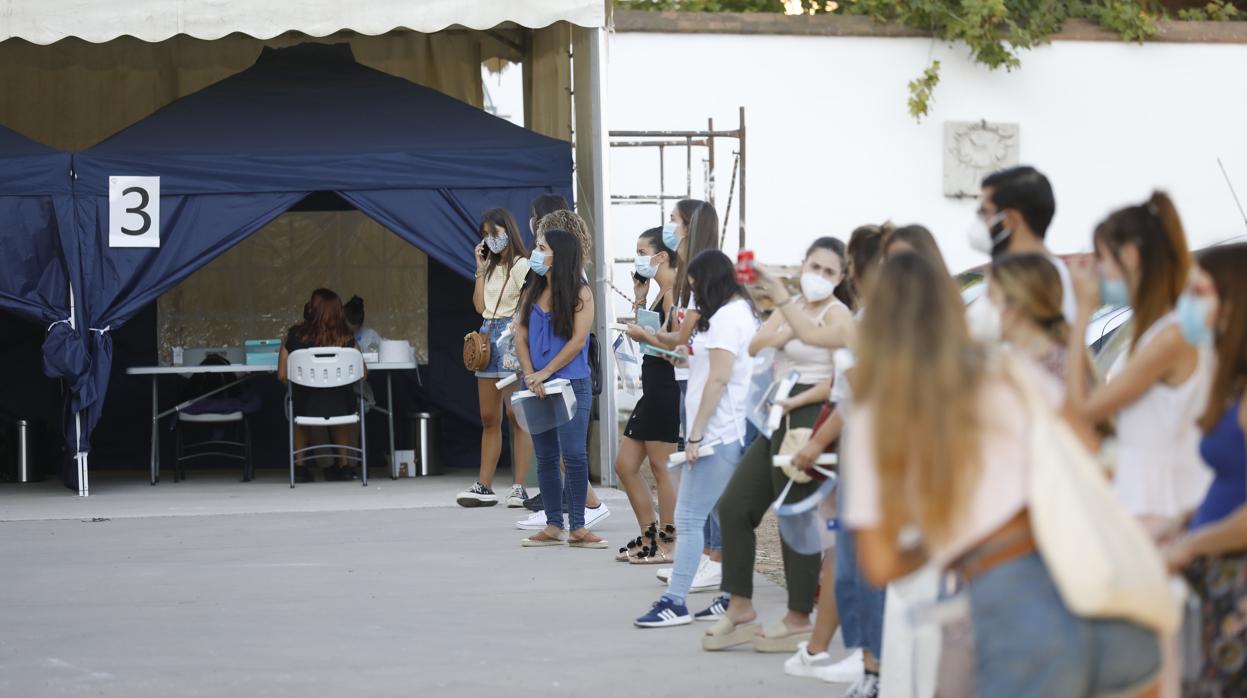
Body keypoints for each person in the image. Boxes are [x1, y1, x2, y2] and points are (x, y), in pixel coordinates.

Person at [843, 252, 1162, 697]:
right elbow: (1091, 451)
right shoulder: (1009, 371)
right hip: (1080, 590)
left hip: (999, 598)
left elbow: (879, 562)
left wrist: (947, 537)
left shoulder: (878, 412)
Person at [709, 237, 854, 655]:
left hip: (814, 414)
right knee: (735, 505)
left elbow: (839, 379)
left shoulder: (839, 314)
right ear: (803, 265)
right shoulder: (793, 308)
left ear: (841, 277)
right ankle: (739, 606)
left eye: (829, 271)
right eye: (816, 267)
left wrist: (786, 324)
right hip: (776, 412)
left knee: (795, 515)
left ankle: (797, 616)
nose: (820, 277)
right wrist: (785, 323)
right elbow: (755, 345)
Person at [1065, 192, 1213, 537]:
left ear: (1130, 257)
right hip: (1153, 507)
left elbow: (1084, 408)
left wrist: (1083, 311)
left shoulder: (1170, 337)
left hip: (1163, 513)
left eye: (1101, 259)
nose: (1097, 272)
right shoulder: (1157, 332)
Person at [785, 224, 888, 692]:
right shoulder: (869, 317)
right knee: (845, 561)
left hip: (876, 460)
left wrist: (812, 444)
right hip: (858, 458)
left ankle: (870, 658)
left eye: (839, 266)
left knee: (857, 563)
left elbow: (852, 395)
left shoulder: (867, 321)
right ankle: (859, 656)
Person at [634, 250, 758, 627]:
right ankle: (731, 598)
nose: (693, 294)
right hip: (725, 433)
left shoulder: (724, 318)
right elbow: (711, 368)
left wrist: (695, 435)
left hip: (716, 435)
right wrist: (681, 359)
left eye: (695, 286)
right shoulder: (737, 314)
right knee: (726, 516)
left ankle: (675, 601)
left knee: (687, 518)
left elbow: (719, 380)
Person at [1161, 243, 1247, 695]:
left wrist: (1191, 545)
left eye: (1199, 292)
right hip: (1220, 583)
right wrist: (1186, 521)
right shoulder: (1234, 383)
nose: (1187, 305)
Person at [514, 206, 611, 530]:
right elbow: (521, 334)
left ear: (560, 255)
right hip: (537, 385)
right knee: (545, 456)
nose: (535, 254)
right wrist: (530, 374)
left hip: (571, 384)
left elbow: (577, 342)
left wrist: (545, 372)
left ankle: (579, 526)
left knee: (573, 454)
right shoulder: (533, 289)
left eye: (542, 249)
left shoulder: (580, 293)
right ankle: (554, 525)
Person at [457, 208, 535, 509]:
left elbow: (528, 302)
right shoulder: (488, 267)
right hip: (487, 334)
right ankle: (484, 485)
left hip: (510, 335)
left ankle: (519, 487)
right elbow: (479, 306)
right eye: (486, 234)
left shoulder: (521, 264)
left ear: (509, 232)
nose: (491, 239)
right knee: (489, 418)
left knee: (517, 416)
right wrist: (479, 267)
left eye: (496, 233)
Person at [616, 227, 681, 564]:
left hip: (666, 386)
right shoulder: (659, 292)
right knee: (625, 465)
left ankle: (668, 542)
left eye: (642, 251)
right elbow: (649, 335)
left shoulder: (674, 294)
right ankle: (649, 535)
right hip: (652, 385)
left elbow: (675, 346)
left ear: (662, 256)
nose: (637, 258)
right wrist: (639, 299)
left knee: (661, 467)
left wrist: (644, 334)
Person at [278, 288, 366, 483]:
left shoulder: (293, 337)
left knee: (297, 402)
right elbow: (362, 372)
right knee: (342, 399)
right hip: (342, 407)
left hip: (305, 407)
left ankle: (300, 467)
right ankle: (344, 465)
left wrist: (307, 385)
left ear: (313, 310)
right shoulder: (347, 339)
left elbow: (282, 375)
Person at [976, 165, 1077, 321]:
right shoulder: (1008, 272)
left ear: (1011, 219)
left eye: (984, 212)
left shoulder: (1048, 280)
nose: (981, 221)